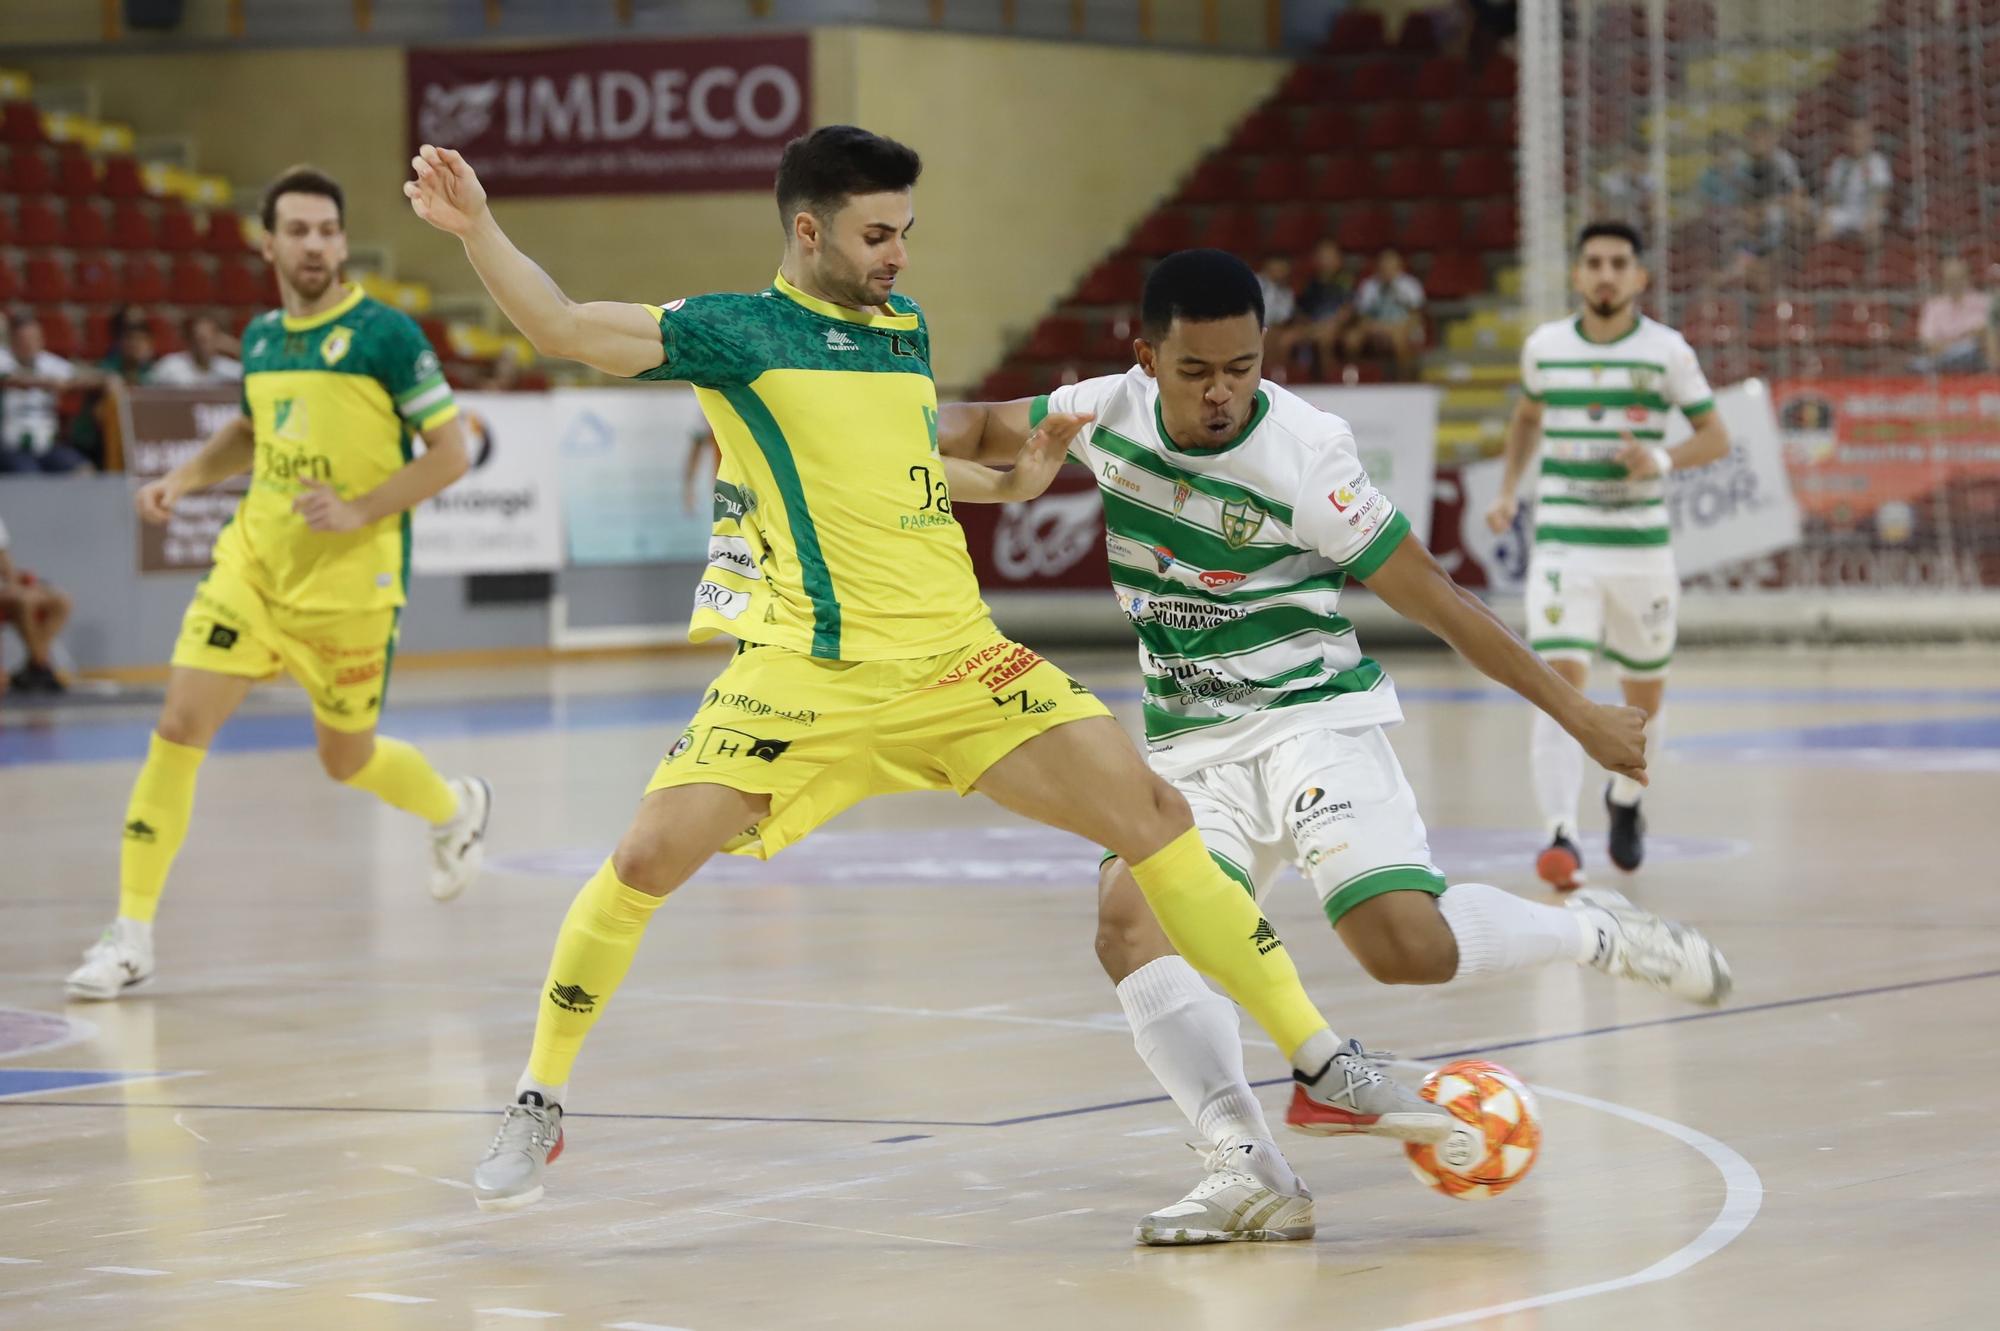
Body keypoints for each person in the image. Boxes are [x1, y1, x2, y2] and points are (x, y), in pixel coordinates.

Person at [404, 126, 1472, 1214]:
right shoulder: (734, 332)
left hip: (961, 663)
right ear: (807, 230)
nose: (897, 255)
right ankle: (539, 1098)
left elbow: (905, 465)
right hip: (804, 676)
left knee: (1151, 813)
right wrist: (477, 226)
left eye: (905, 232)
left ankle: (1320, 1058)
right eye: (877, 234)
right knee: (641, 857)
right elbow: (561, 324)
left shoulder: (899, 328)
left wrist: (1005, 486)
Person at [941, 249, 1730, 1245]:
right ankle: (1243, 1164)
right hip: (1189, 750)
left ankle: (1595, 932)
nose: (1222, 391)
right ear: (1145, 358)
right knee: (1126, 927)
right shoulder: (1102, 411)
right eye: (1196, 372)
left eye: (1242, 365)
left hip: (1314, 721)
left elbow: (1436, 597)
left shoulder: (1308, 453)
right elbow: (978, 428)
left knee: (1404, 947)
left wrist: (1578, 715)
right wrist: (872, 430)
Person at [63, 166, 493, 1001]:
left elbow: (451, 452)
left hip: (350, 591)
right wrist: (185, 479)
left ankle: (452, 807)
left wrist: (359, 505)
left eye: (327, 230)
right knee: (180, 724)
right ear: (268, 243)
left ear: (341, 240)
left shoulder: (386, 336)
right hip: (252, 570)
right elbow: (252, 428)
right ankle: (132, 933)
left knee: (347, 759)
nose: (314, 245)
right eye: (296, 230)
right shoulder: (260, 337)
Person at [1486, 221, 1730, 890]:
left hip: (1641, 552)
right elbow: (1528, 417)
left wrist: (1659, 456)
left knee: (1642, 699)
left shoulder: (1667, 353)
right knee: (1560, 687)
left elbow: (1715, 436)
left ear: (1639, 278)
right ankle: (1559, 834)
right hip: (1565, 542)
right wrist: (1508, 489)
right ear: (1576, 274)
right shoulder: (1545, 348)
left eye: (1619, 263)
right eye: (1593, 261)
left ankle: (1625, 800)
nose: (1605, 274)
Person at [0, 312, 100, 474]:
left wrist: (106, 379)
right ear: (12, 341)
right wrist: (43, 383)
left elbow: (83, 375)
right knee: (29, 477)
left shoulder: (50, 363)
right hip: (10, 447)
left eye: (34, 339)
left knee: (84, 471)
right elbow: (9, 379)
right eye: (23, 340)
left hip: (47, 447)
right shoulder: (3, 359)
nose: (29, 344)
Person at [0, 513, 72, 694]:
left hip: (5, 587)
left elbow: (5, 561)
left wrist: (16, 584)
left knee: (61, 601)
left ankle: (35, 665)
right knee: (26, 601)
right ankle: (40, 666)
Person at [1344, 247, 1426, 381]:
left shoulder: (1410, 285)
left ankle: (1404, 380)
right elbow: (1361, 316)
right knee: (1351, 338)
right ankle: (1356, 379)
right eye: (1384, 263)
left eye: (1390, 263)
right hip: (1374, 327)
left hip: (1403, 327)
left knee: (1398, 338)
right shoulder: (1369, 285)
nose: (1387, 267)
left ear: (1399, 265)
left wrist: (1397, 329)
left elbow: (1416, 316)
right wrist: (1373, 327)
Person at [1912, 256, 1995, 374]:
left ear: (1968, 277)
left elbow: (1988, 336)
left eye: (1959, 277)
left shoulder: (1985, 302)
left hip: (1976, 360)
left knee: (1970, 351)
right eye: (1950, 278)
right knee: (1918, 364)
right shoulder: (1933, 306)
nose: (1955, 282)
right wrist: (1960, 341)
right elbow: (1927, 342)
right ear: (1943, 280)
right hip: (1943, 359)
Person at [1818, 119, 1892, 243]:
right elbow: (1831, 195)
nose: (1855, 141)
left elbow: (1882, 193)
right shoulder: (1839, 163)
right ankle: (1826, 260)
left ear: (1870, 139)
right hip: (1845, 210)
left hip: (1868, 210)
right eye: (1852, 136)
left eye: (1860, 136)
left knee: (1874, 229)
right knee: (1824, 222)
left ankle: (1872, 262)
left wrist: (1873, 212)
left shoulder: (1877, 161)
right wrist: (1826, 211)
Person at [1293, 237, 1356, 379]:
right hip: (1313, 327)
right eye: (1322, 256)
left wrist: (1329, 326)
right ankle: (1291, 380)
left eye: (1329, 256)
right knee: (1287, 339)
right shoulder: (1310, 283)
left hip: (1337, 327)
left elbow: (1347, 310)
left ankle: (1329, 381)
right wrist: (1309, 327)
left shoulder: (1346, 281)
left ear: (1339, 259)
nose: (1325, 260)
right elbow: (1301, 311)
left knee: (1325, 339)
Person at [149, 312, 244, 388]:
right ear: (190, 340)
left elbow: (254, 377)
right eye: (197, 339)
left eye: (207, 339)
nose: (201, 345)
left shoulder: (229, 369)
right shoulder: (170, 366)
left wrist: (235, 348)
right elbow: (147, 391)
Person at [1254, 254, 1299, 374]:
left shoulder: (1286, 292)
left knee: (1282, 337)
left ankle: (1278, 374)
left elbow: (1284, 318)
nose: (1281, 270)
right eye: (1278, 265)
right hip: (1249, 326)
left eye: (1284, 268)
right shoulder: (1253, 282)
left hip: (1271, 329)